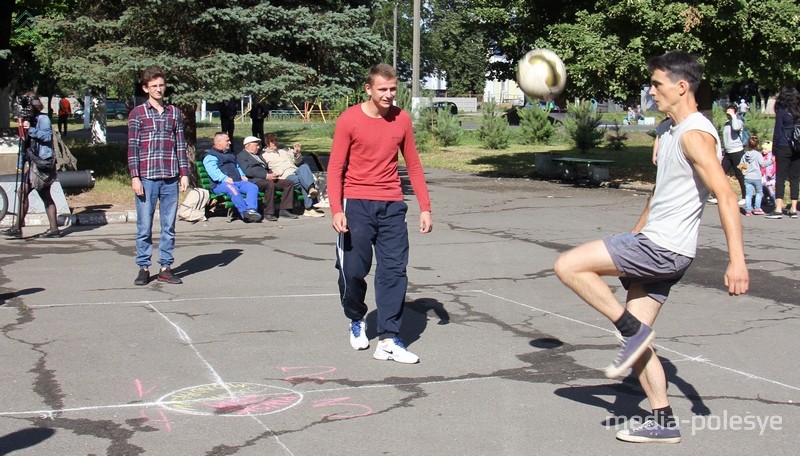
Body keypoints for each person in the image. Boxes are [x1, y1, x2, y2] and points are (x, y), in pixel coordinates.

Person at [553, 51, 749, 444]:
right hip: (659, 246)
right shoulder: (673, 130)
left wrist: (737, 262)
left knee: (568, 265)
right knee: (633, 336)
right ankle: (663, 420)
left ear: (681, 87)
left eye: (657, 84)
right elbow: (659, 195)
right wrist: (635, 232)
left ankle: (632, 331)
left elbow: (726, 196)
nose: (651, 90)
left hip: (664, 248)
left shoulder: (695, 134)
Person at [328, 63, 433, 364]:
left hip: (391, 205)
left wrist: (425, 207)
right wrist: (337, 208)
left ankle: (388, 337)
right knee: (352, 272)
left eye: (392, 90)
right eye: (383, 89)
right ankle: (356, 318)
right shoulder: (349, 120)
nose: (388, 95)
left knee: (393, 271)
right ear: (369, 89)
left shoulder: (401, 119)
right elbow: (335, 167)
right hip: (356, 204)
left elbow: (413, 164)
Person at [127, 66, 189, 286]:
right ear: (146, 88)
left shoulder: (174, 112)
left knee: (168, 225)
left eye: (161, 85)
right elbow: (132, 147)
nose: (158, 89)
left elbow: (180, 145)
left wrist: (184, 173)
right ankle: (144, 267)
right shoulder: (138, 114)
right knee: (144, 225)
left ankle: (165, 266)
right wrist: (135, 176)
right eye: (154, 86)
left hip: (170, 176)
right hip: (147, 177)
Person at [1, 97, 62, 239]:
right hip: (35, 163)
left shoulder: (43, 119)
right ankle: (53, 229)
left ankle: (18, 228)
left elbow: (47, 137)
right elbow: (25, 143)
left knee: (26, 192)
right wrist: (20, 163)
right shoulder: (28, 120)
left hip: (43, 164)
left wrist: (31, 129)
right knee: (43, 195)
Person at [202, 132, 262, 223]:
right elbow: (213, 171)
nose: (230, 142)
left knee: (252, 187)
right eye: (227, 140)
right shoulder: (211, 156)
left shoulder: (230, 154)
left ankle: (252, 210)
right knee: (232, 189)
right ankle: (244, 213)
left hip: (237, 182)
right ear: (219, 141)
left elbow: (237, 166)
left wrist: (242, 175)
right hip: (220, 185)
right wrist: (224, 178)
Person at [236, 135, 298, 221]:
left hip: (266, 177)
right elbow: (248, 171)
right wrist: (266, 176)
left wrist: (272, 174)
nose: (258, 147)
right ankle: (268, 212)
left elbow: (266, 168)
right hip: (254, 180)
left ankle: (285, 210)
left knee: (288, 183)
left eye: (258, 145)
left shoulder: (258, 155)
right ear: (248, 145)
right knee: (270, 185)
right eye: (256, 145)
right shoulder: (242, 156)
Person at [261, 133, 323, 217]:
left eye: (276, 140)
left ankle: (311, 190)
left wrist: (297, 153)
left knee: (304, 166)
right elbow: (264, 169)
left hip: (296, 170)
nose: (275, 142)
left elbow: (298, 162)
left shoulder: (285, 150)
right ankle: (309, 207)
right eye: (272, 141)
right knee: (302, 181)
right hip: (285, 175)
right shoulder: (264, 155)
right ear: (267, 143)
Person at [765, 87, 800, 219]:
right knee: (795, 178)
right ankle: (793, 209)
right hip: (798, 148)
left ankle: (778, 208)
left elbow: (778, 132)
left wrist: (773, 152)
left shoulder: (782, 111)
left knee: (780, 177)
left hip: (783, 147)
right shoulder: (799, 111)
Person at [719, 104, 747, 206]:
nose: (728, 114)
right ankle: (719, 196)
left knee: (742, 175)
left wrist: (734, 116)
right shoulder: (726, 123)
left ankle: (745, 197)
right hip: (728, 153)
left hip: (738, 152)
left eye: (730, 111)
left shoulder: (738, 121)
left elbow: (736, 127)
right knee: (721, 173)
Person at [739, 135, 772, 216]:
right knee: (759, 193)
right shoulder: (758, 155)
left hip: (747, 177)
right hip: (757, 177)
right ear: (758, 145)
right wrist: (771, 161)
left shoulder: (745, 155)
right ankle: (757, 208)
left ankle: (747, 209)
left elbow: (741, 165)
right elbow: (763, 164)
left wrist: (744, 171)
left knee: (748, 194)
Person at [761, 140, 777, 206]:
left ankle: (774, 201)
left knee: (770, 189)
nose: (763, 150)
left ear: (769, 150)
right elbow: (762, 166)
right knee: (764, 188)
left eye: (765, 149)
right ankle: (765, 200)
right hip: (764, 176)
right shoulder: (762, 156)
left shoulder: (772, 157)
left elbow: (774, 166)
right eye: (763, 149)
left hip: (770, 176)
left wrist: (772, 173)